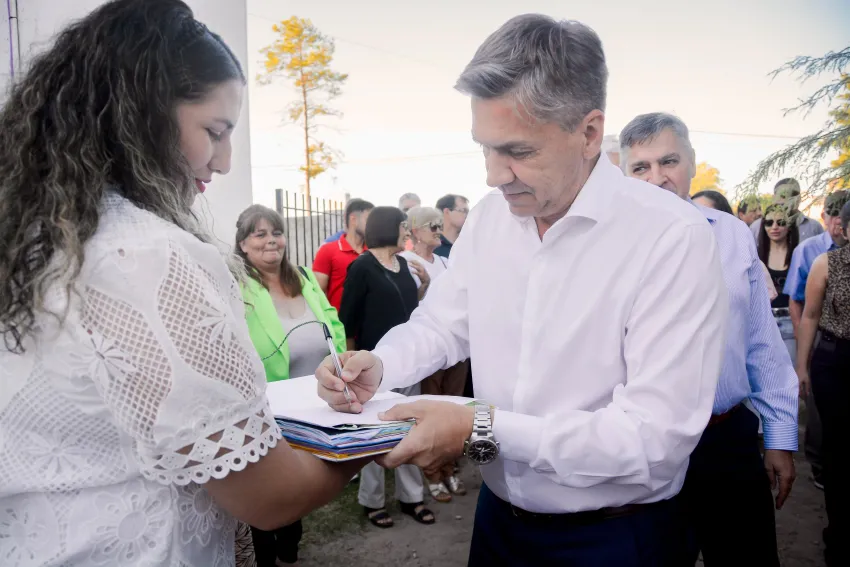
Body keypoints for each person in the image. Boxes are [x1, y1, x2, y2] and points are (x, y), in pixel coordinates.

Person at [316, 15, 728, 566]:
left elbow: (652, 438)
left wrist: (479, 428)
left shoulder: (671, 237)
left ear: (589, 134)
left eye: (518, 151)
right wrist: (382, 364)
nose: (493, 175)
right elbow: (443, 323)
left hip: (615, 537)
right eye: (484, 149)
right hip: (498, 521)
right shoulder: (490, 219)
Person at [0, 2, 369, 565]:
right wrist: (378, 438)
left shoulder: (36, 243)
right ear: (140, 116)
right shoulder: (147, 255)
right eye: (214, 132)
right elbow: (269, 497)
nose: (223, 162)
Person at [620, 113, 798, 567]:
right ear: (623, 174)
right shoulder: (606, 245)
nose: (657, 178)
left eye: (668, 161)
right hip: (642, 448)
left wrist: (779, 435)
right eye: (640, 167)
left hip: (726, 440)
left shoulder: (732, 233)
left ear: (693, 163)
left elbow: (760, 342)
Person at [235, 205, 347, 565]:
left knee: (297, 486)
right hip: (266, 406)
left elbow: (331, 321)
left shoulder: (303, 276)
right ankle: (266, 556)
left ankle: (289, 548)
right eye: (260, 234)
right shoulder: (237, 285)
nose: (271, 241)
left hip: (312, 404)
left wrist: (339, 361)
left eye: (277, 233)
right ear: (243, 244)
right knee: (267, 490)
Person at [338, 206, 435, 529]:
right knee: (375, 433)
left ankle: (412, 497)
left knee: (410, 427)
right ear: (387, 227)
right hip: (372, 365)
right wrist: (351, 364)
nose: (407, 231)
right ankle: (372, 501)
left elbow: (409, 309)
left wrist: (423, 286)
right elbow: (348, 319)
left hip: (407, 362)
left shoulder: (403, 264)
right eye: (403, 225)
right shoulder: (361, 267)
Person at [401, 206, 469, 502]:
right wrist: (425, 287)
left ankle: (449, 467)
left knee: (454, 406)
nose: (439, 231)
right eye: (432, 226)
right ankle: (433, 473)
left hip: (456, 349)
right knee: (431, 410)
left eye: (440, 225)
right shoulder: (407, 262)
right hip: (429, 348)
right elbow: (408, 307)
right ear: (415, 231)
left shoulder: (444, 261)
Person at [795, 200, 850, 566]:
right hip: (836, 361)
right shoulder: (826, 263)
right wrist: (802, 367)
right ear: (844, 228)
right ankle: (839, 536)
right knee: (839, 450)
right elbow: (810, 315)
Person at [312, 198, 374, 310]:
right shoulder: (328, 250)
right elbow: (317, 293)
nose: (373, 225)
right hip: (339, 319)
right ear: (353, 219)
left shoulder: (373, 251)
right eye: (369, 219)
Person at [750, 178, 824, 243]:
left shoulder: (814, 227)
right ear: (774, 198)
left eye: (793, 195)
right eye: (783, 195)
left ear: (799, 198)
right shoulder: (757, 227)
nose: (789, 200)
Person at [758, 204, 800, 310]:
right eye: (769, 223)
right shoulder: (755, 255)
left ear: (789, 226)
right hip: (765, 315)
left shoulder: (800, 254)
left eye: (781, 222)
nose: (774, 227)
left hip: (794, 314)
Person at [433, 194, 470, 258]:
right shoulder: (432, 246)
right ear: (447, 212)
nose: (468, 215)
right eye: (464, 211)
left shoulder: (469, 244)